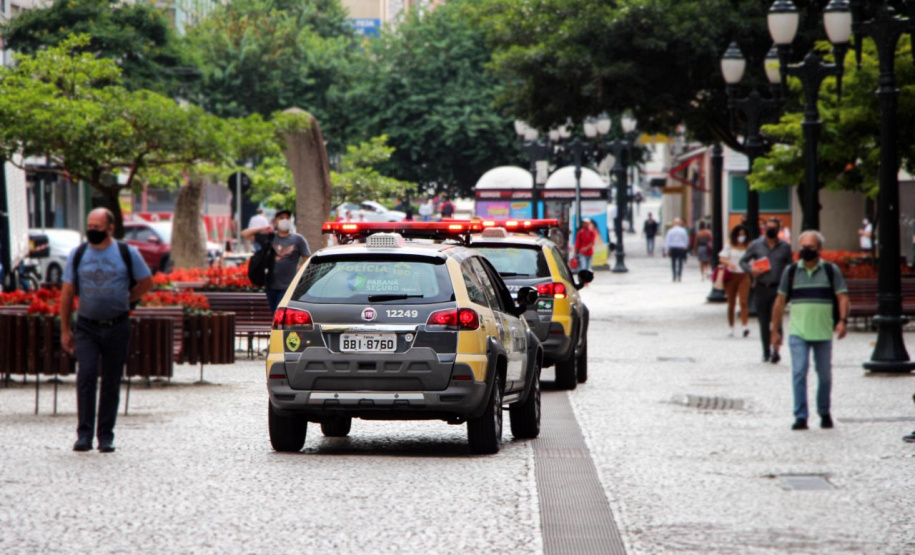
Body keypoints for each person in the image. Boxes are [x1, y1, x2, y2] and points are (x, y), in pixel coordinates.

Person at [59, 208, 154, 453]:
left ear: (110, 228)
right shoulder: (79, 253)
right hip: (87, 326)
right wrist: (65, 329)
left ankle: (105, 436)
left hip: (117, 326)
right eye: (90, 226)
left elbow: (146, 283)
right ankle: (84, 435)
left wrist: (127, 299)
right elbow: (67, 292)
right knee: (86, 376)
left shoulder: (126, 252)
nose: (92, 231)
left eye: (98, 228)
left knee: (111, 381)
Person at [770, 230, 850, 431]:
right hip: (799, 332)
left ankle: (824, 411)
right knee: (799, 372)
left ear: (819, 249)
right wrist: (775, 330)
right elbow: (780, 301)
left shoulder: (831, 271)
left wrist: (843, 321)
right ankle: (801, 416)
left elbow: (842, 297)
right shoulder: (791, 272)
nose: (805, 251)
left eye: (810, 247)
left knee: (824, 375)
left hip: (823, 332)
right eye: (803, 247)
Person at [740, 217, 794, 363]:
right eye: (768, 227)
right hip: (761, 287)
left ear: (778, 229)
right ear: (764, 228)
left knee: (777, 320)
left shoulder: (785, 247)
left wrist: (789, 287)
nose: (770, 230)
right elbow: (743, 261)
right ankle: (766, 350)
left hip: (778, 289)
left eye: (773, 228)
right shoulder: (756, 244)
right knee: (763, 321)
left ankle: (776, 349)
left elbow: (791, 267)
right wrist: (752, 269)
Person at [241, 209, 311, 311]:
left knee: (280, 313)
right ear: (275, 221)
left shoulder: (298, 239)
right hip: (271, 286)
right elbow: (245, 234)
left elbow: (307, 260)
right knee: (275, 314)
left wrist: (302, 279)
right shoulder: (269, 238)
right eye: (281, 218)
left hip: (288, 287)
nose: (285, 220)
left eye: (287, 218)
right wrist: (263, 228)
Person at [719, 225, 751, 338]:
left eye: (743, 234)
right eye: (739, 234)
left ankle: (744, 326)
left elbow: (754, 259)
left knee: (743, 301)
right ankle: (731, 327)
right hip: (731, 276)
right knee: (731, 303)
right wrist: (729, 264)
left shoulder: (749, 246)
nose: (741, 237)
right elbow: (722, 257)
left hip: (744, 275)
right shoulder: (729, 245)